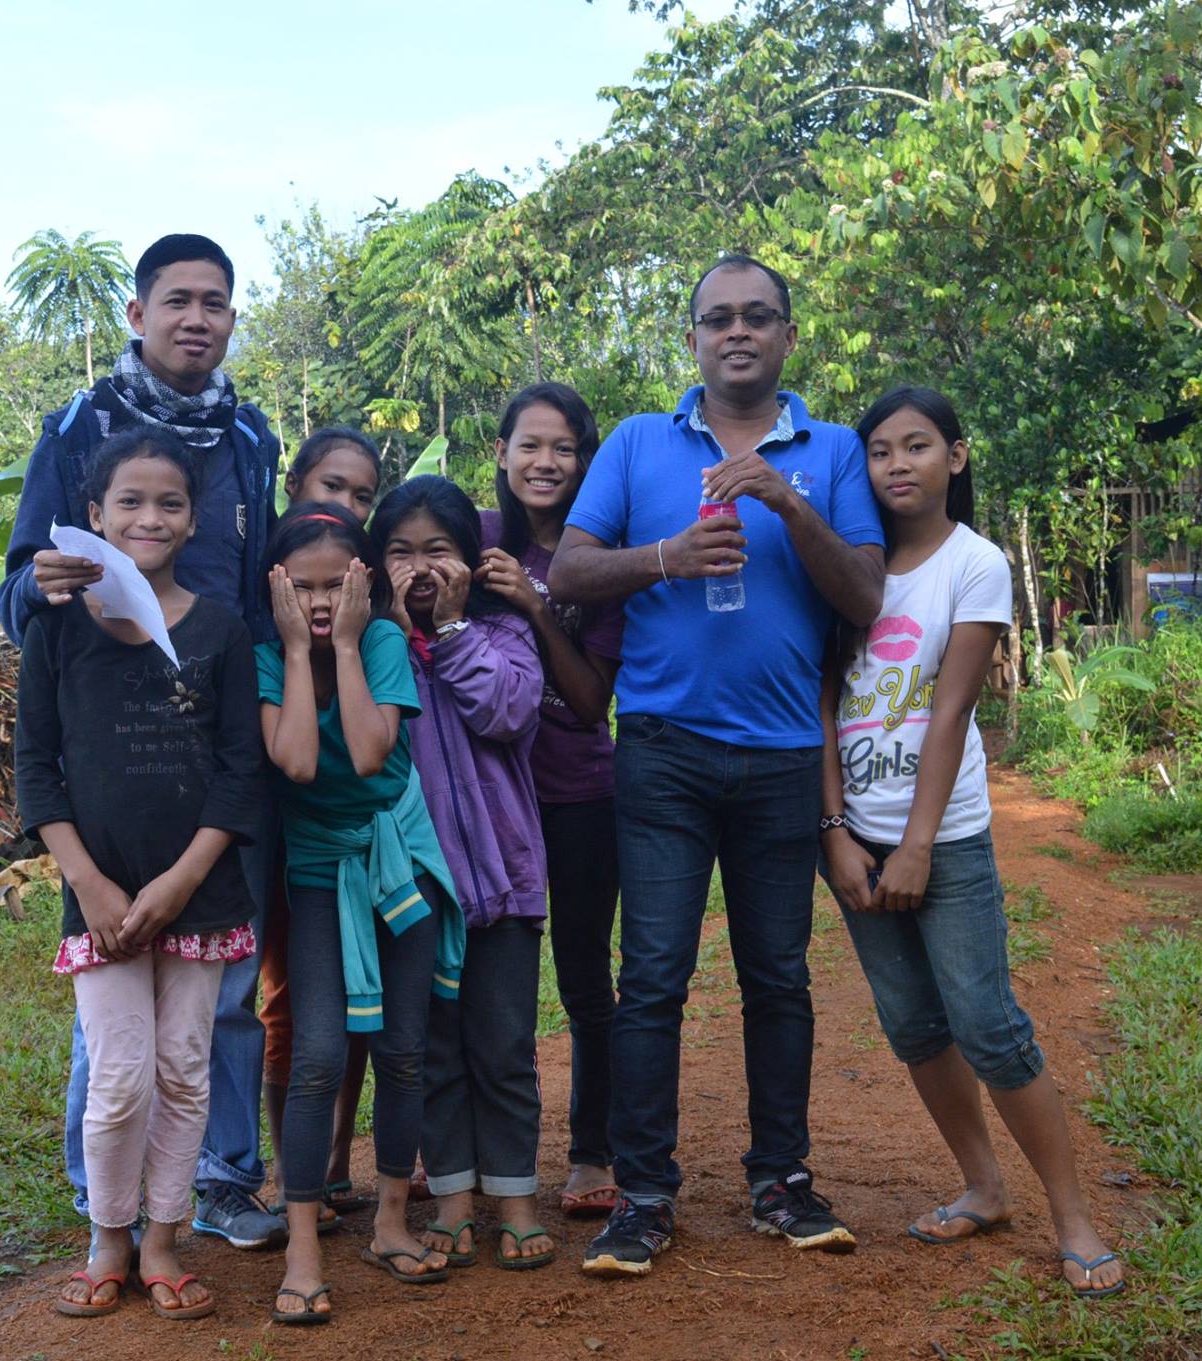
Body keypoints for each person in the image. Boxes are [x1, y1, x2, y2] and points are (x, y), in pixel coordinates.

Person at [550, 254, 887, 1278]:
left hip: (784, 754)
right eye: (714, 319)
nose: (734, 332)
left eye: (755, 317)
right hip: (660, 751)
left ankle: (779, 1177)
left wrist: (786, 504)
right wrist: (664, 558)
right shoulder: (638, 443)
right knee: (649, 976)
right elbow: (566, 572)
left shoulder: (828, 451)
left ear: (787, 335)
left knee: (775, 977)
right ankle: (643, 1194)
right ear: (690, 338)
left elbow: (865, 596)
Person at [0, 233, 290, 1252]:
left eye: (215, 301)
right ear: (137, 313)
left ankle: (217, 1176)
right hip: (106, 739)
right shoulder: (79, 426)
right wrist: (37, 587)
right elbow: (18, 581)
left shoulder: (249, 437)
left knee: (221, 990)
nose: (196, 318)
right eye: (176, 300)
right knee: (111, 999)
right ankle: (101, 1197)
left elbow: (256, 592)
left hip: (217, 725)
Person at [819, 386, 1124, 1299]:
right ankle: (983, 1186)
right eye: (879, 450)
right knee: (913, 1025)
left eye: (917, 446)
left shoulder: (975, 563)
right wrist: (835, 834)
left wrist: (915, 846)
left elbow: (951, 710)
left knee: (988, 1025)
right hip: (853, 843)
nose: (897, 464)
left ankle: (1071, 1214)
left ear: (956, 456)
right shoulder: (845, 570)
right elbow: (821, 708)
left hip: (941, 838)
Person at [15, 431, 264, 1321]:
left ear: (193, 518)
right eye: (129, 501)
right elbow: (36, 769)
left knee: (185, 1069)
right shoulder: (53, 629)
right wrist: (89, 881)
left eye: (168, 502)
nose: (148, 517)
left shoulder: (221, 629)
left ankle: (164, 1238)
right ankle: (106, 1237)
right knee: (119, 1074)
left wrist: (183, 879)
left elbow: (241, 771)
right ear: (93, 517)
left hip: (199, 896)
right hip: (101, 900)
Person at [258, 502, 468, 1324]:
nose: (317, 600)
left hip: (398, 857)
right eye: (300, 586)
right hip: (318, 870)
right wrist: (308, 647)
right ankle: (303, 1243)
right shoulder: (267, 660)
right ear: (275, 587)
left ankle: (388, 1219)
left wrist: (344, 642)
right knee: (315, 1053)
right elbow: (302, 764)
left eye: (333, 584)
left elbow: (374, 748)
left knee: (405, 1050)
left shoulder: (380, 643)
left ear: (362, 582)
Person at [371, 476, 553, 1270]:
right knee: (431, 1047)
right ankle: (449, 1197)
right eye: (402, 551)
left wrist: (450, 630)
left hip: (505, 880)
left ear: (471, 562)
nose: (420, 567)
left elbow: (508, 711)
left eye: (439, 550)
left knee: (505, 1042)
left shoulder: (503, 631)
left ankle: (514, 1196)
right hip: (416, 891)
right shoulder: (370, 647)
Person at [476, 383, 625, 1220]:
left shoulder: (598, 554)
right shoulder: (474, 536)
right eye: (529, 445)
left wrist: (535, 604)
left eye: (564, 448)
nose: (545, 462)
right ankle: (464, 1147)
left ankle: (591, 1149)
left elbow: (591, 699)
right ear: (501, 452)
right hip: (484, 791)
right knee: (479, 978)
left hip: (576, 792)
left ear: (586, 461)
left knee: (581, 974)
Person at [258, 427, 384, 1224]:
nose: (345, 505)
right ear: (294, 483)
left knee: (357, 1001)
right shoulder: (271, 587)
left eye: (363, 495)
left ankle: (337, 1159)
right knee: (286, 1001)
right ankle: (288, 1167)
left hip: (363, 832)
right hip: (276, 821)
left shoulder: (368, 616)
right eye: (331, 486)